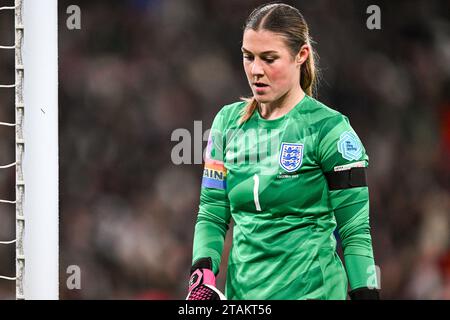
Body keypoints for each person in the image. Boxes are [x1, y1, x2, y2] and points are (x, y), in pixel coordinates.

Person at [186, 3, 380, 300]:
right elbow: (212, 214)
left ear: (301, 55)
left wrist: (366, 294)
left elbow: (354, 233)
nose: (255, 70)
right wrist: (201, 279)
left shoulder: (331, 131)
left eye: (269, 58)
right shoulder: (226, 124)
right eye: (248, 57)